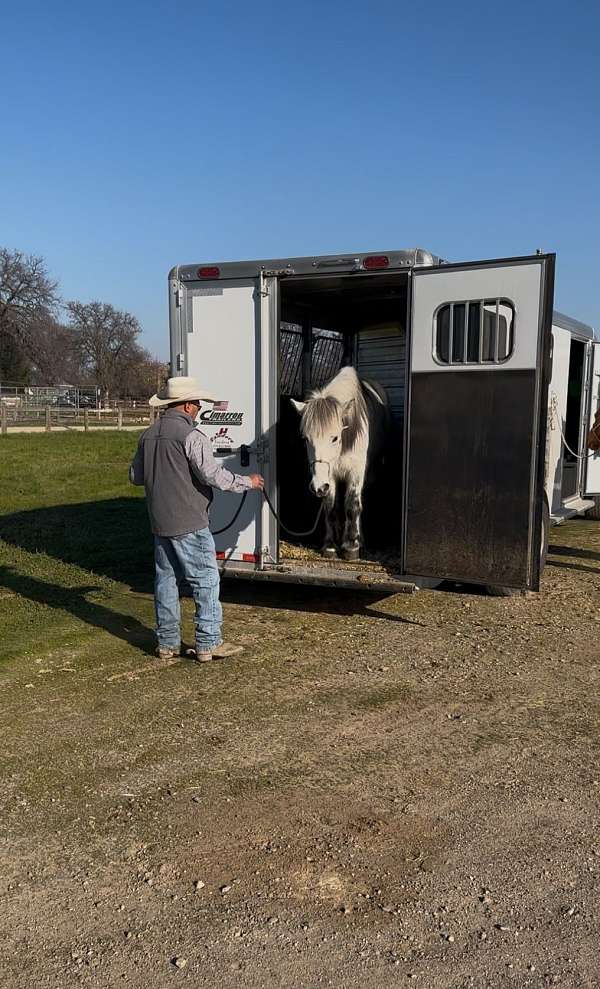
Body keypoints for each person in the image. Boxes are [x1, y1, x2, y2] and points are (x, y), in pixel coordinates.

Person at [129, 376, 264, 662]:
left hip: (160, 521)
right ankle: (209, 642)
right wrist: (247, 482)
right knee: (205, 579)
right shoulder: (192, 436)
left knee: (166, 580)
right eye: (198, 404)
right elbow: (212, 475)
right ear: (188, 405)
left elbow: (135, 477)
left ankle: (166, 643)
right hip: (189, 520)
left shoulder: (148, 435)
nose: (200, 408)